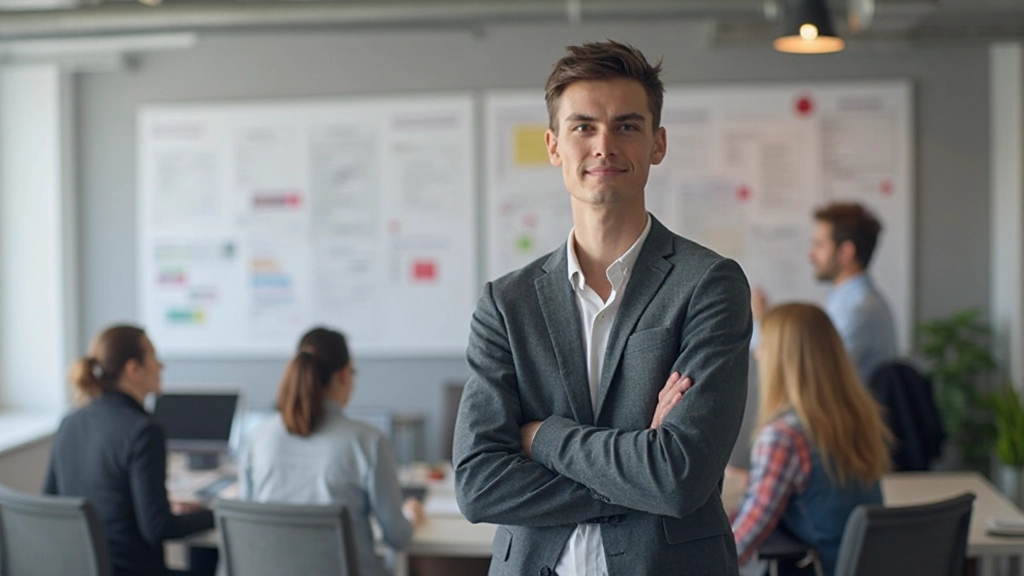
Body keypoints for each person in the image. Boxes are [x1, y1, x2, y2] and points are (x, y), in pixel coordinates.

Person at [453, 40, 751, 575]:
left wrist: (540, 436)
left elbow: (681, 477)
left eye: (627, 126)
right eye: (583, 126)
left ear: (658, 144)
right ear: (553, 145)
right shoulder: (507, 303)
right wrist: (641, 469)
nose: (604, 144)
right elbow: (478, 485)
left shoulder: (709, 284)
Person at [239, 326, 423, 576]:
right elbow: (397, 537)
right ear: (344, 375)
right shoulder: (368, 441)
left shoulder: (257, 437)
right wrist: (410, 515)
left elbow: (252, 525)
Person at [732, 303, 892, 576]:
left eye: (764, 346)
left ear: (783, 361)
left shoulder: (783, 436)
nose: (757, 354)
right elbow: (826, 490)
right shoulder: (859, 419)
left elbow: (741, 542)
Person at [44, 325, 216, 576]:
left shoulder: (70, 422)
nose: (161, 366)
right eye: (154, 358)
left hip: (85, 569)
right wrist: (219, 511)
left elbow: (51, 502)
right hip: (134, 571)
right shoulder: (144, 431)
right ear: (133, 369)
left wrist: (159, 505)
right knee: (210, 553)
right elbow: (159, 528)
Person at [752, 202, 896, 384]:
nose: (810, 255)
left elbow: (809, 374)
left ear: (846, 252)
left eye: (819, 245)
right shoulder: (852, 301)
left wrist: (762, 324)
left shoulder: (856, 310)